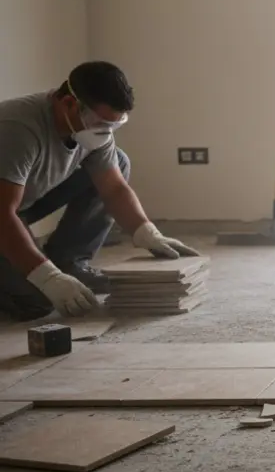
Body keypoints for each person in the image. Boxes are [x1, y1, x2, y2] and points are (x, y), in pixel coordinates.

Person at [0, 62, 199, 321]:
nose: (105, 132)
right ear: (69, 103)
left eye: (114, 126)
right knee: (38, 301)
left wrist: (146, 232)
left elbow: (114, 188)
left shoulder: (90, 130)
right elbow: (3, 215)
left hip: (19, 202)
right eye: (101, 122)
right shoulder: (18, 129)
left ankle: (68, 262)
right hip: (4, 209)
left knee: (119, 160)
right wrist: (47, 278)